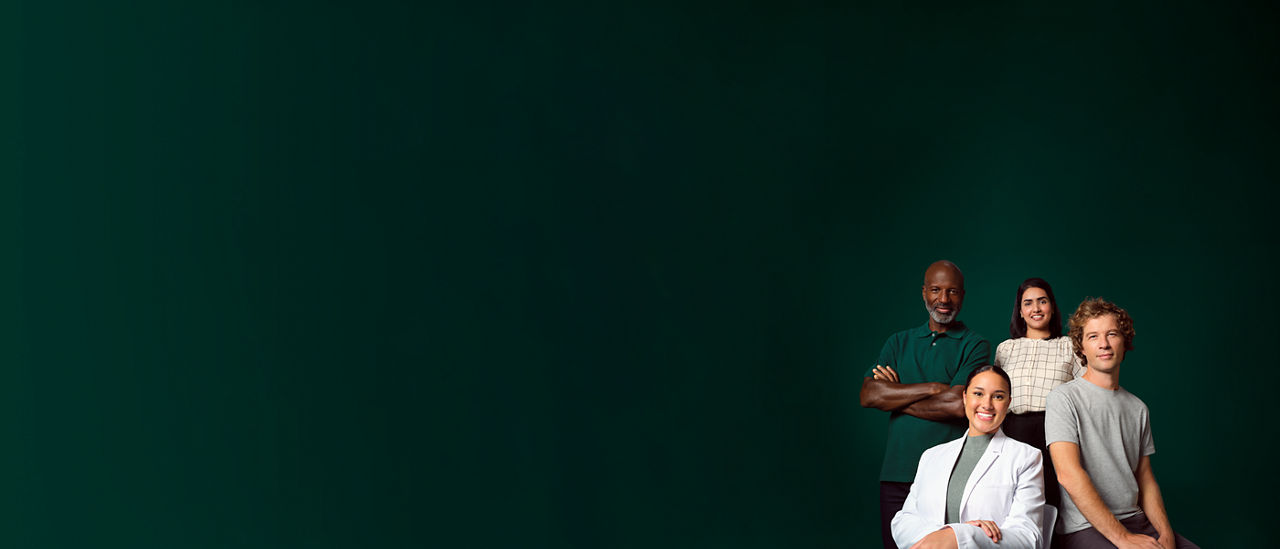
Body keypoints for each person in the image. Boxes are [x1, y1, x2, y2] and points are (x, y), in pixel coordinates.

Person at [1045, 298, 1198, 548]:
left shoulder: (1138, 408)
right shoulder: (1063, 399)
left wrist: (1166, 533)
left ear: (1124, 341)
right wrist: (1122, 538)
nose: (1104, 344)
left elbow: (1145, 479)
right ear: (1081, 346)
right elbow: (1068, 475)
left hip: (1136, 520)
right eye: (1093, 336)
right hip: (1085, 527)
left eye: (1112, 334)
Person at [862, 260, 992, 549]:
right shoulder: (898, 342)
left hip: (947, 478)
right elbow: (869, 395)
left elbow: (958, 405)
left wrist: (895, 396)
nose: (943, 300)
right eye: (935, 290)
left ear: (963, 295)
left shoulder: (975, 344)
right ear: (924, 293)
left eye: (952, 292)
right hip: (897, 474)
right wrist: (932, 388)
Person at [892, 365, 1046, 549]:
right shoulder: (931, 456)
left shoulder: (1026, 457)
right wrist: (945, 536)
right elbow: (902, 522)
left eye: (998, 396)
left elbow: (1028, 538)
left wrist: (963, 535)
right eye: (978, 394)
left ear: (1008, 402)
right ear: (965, 397)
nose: (987, 404)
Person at [993, 278, 1082, 509]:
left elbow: (1085, 393)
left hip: (1055, 434)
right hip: (1013, 432)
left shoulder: (1069, 346)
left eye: (1042, 302)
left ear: (1051, 306)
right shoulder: (1005, 349)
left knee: (1053, 502)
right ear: (1020, 311)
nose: (1036, 309)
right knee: (1013, 503)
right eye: (1028, 303)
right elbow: (996, 395)